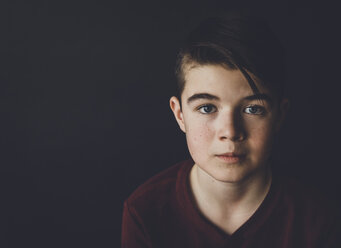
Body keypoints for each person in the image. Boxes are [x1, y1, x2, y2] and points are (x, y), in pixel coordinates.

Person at [121, 11, 340, 248]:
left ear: (279, 115)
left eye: (253, 109)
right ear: (179, 114)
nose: (230, 132)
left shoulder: (317, 220)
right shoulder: (145, 212)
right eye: (206, 108)